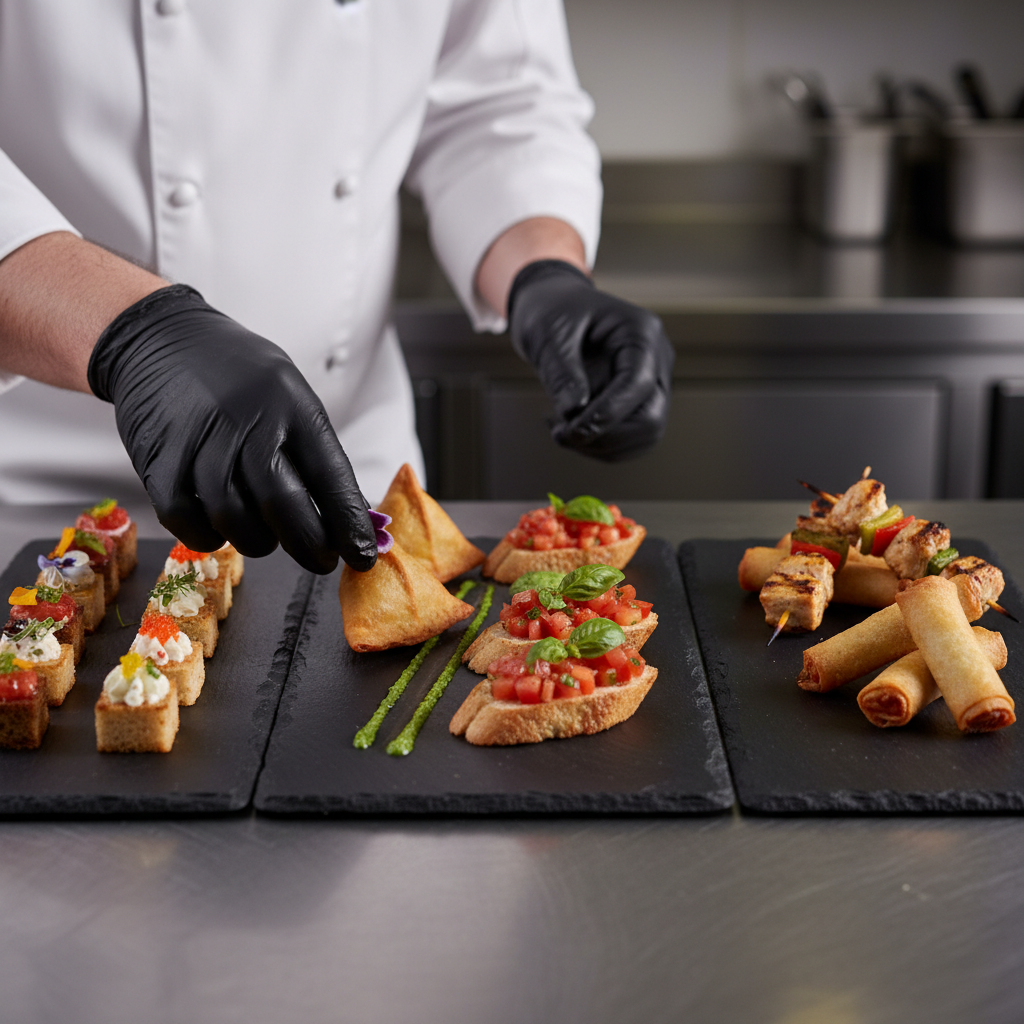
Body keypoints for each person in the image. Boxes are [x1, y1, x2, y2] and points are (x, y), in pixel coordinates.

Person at [0, 1, 673, 574]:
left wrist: (541, 269)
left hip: (341, 483)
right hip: (31, 489)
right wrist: (132, 336)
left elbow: (496, 102)